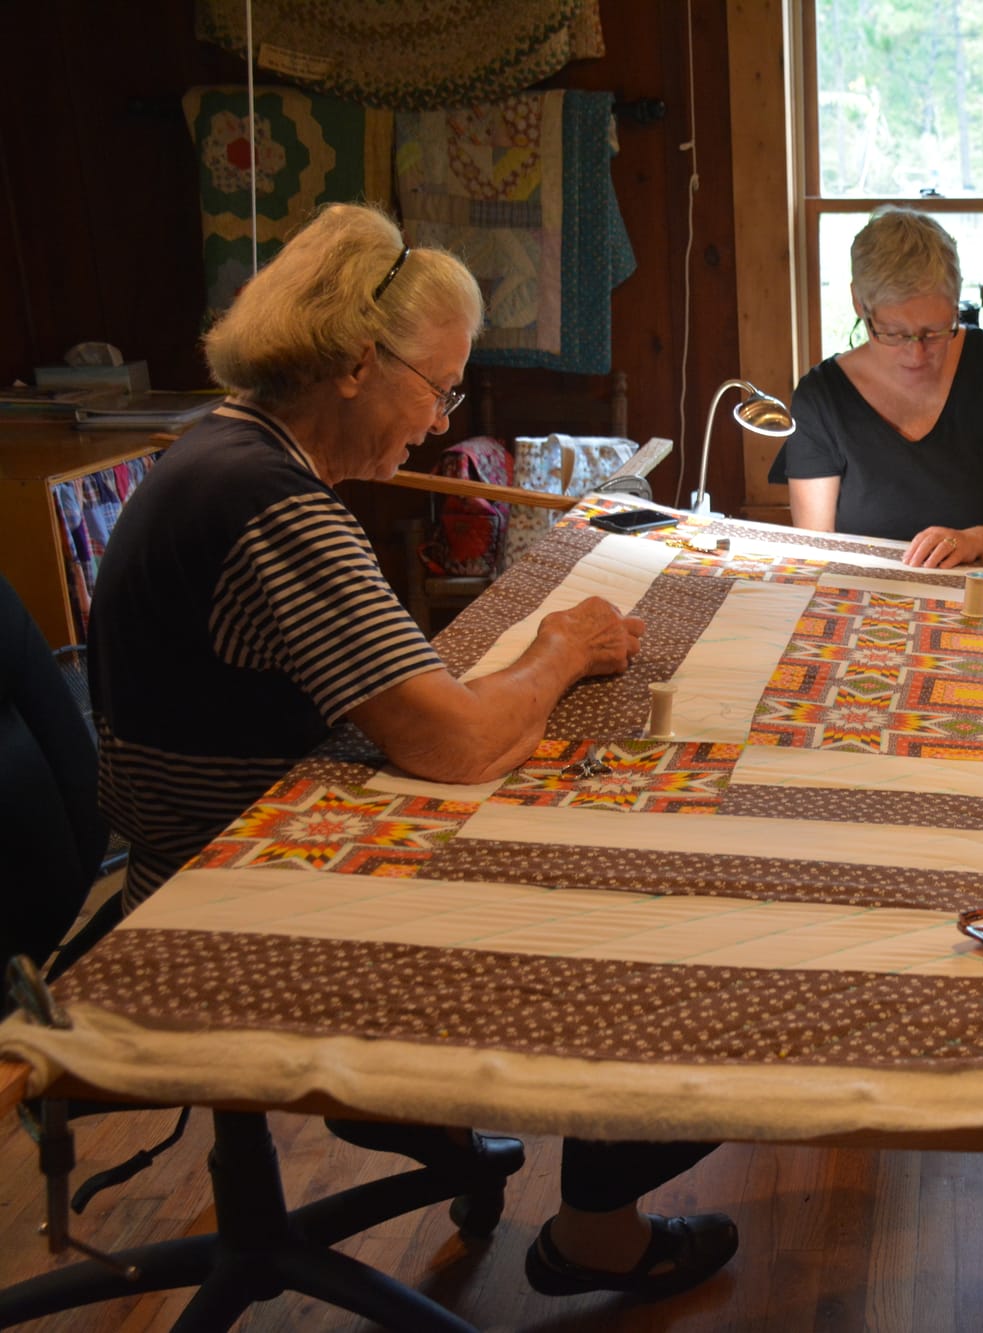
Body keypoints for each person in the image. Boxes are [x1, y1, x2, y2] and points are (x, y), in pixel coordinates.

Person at [87, 203, 736, 1303]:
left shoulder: (217, 448)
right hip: (227, 894)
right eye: (438, 389)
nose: (439, 424)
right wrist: (562, 648)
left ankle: (448, 1133)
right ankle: (598, 1229)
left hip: (191, 846)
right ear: (354, 363)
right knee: (663, 902)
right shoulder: (275, 507)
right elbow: (463, 744)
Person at [768, 206, 983, 566]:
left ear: (956, 305)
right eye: (894, 333)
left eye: (935, 332)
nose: (916, 354)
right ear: (858, 304)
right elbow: (819, 548)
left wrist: (975, 541)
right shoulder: (822, 398)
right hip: (870, 592)